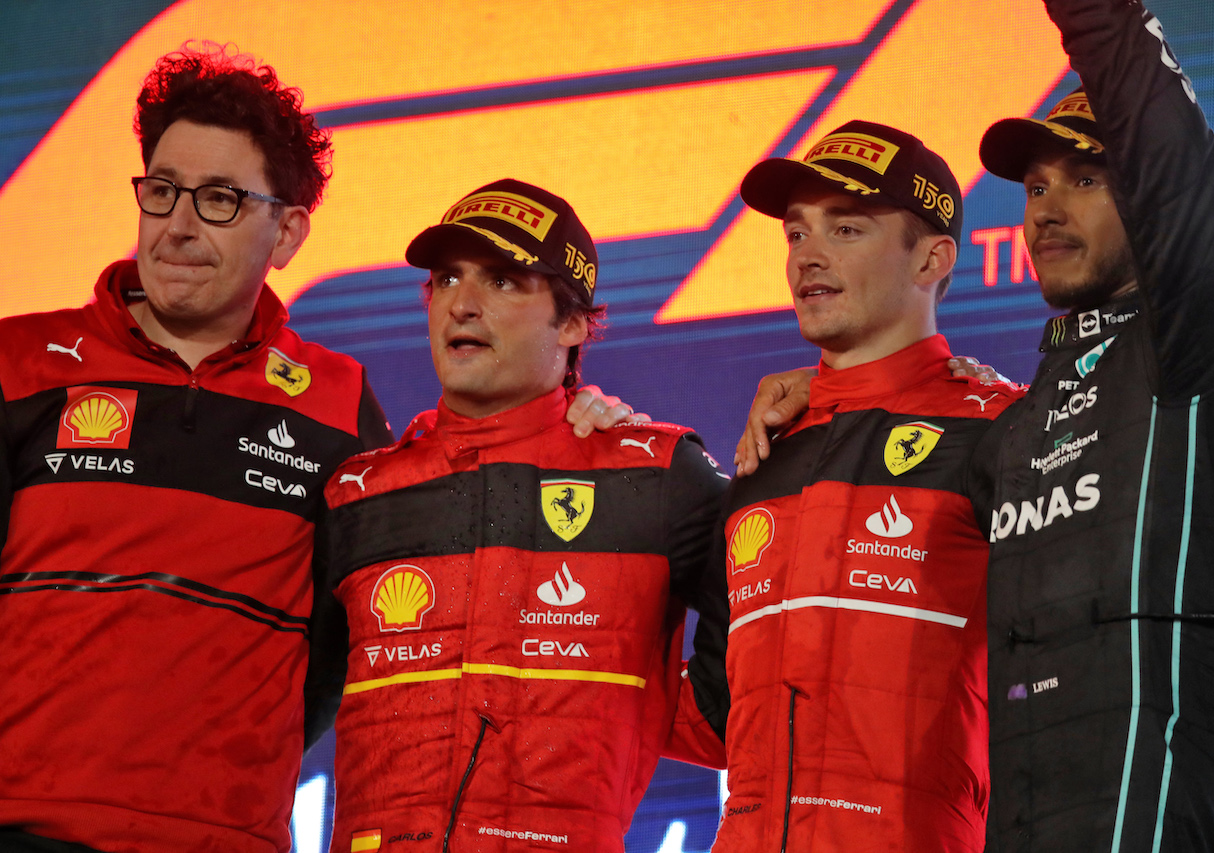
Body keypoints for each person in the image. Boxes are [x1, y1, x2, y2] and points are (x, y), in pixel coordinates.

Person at [0, 44, 396, 852]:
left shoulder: (339, 404)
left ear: (287, 232)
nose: (178, 225)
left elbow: (351, 645)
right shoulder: (16, 365)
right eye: (164, 191)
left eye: (219, 199)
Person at [320, 178, 730, 852]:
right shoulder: (359, 492)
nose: (463, 303)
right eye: (447, 278)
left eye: (505, 281)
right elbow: (279, 702)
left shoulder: (655, 477)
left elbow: (746, 693)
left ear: (572, 324)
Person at [970, 1, 1214, 848]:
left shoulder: (1201, 338)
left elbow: (1163, 138)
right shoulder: (1012, 421)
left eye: (1087, 179)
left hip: (1164, 802)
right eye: (1035, 187)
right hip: (1024, 811)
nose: (1045, 210)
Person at [688, 119, 1023, 852]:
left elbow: (1109, 637)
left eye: (846, 230)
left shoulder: (1003, 427)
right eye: (797, 233)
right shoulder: (764, 452)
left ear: (933, 257)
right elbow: (712, 713)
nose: (808, 255)